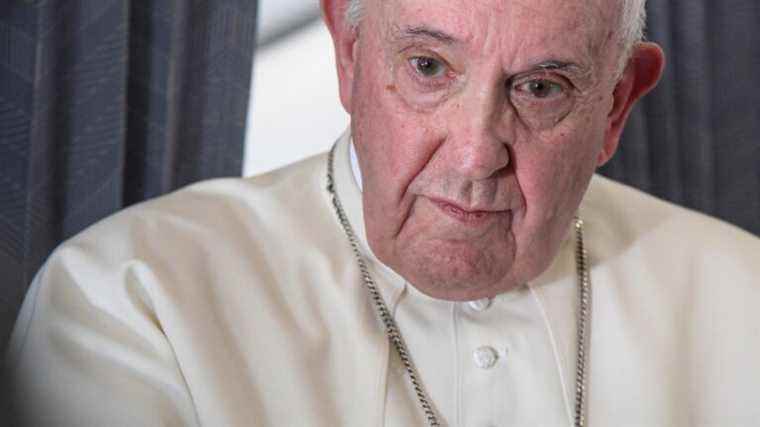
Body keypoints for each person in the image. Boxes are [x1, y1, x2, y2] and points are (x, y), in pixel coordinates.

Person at [6, 0, 760, 425]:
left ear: (617, 105)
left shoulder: (744, 299)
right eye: (429, 68)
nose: (474, 155)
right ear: (347, 51)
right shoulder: (131, 302)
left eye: (541, 87)